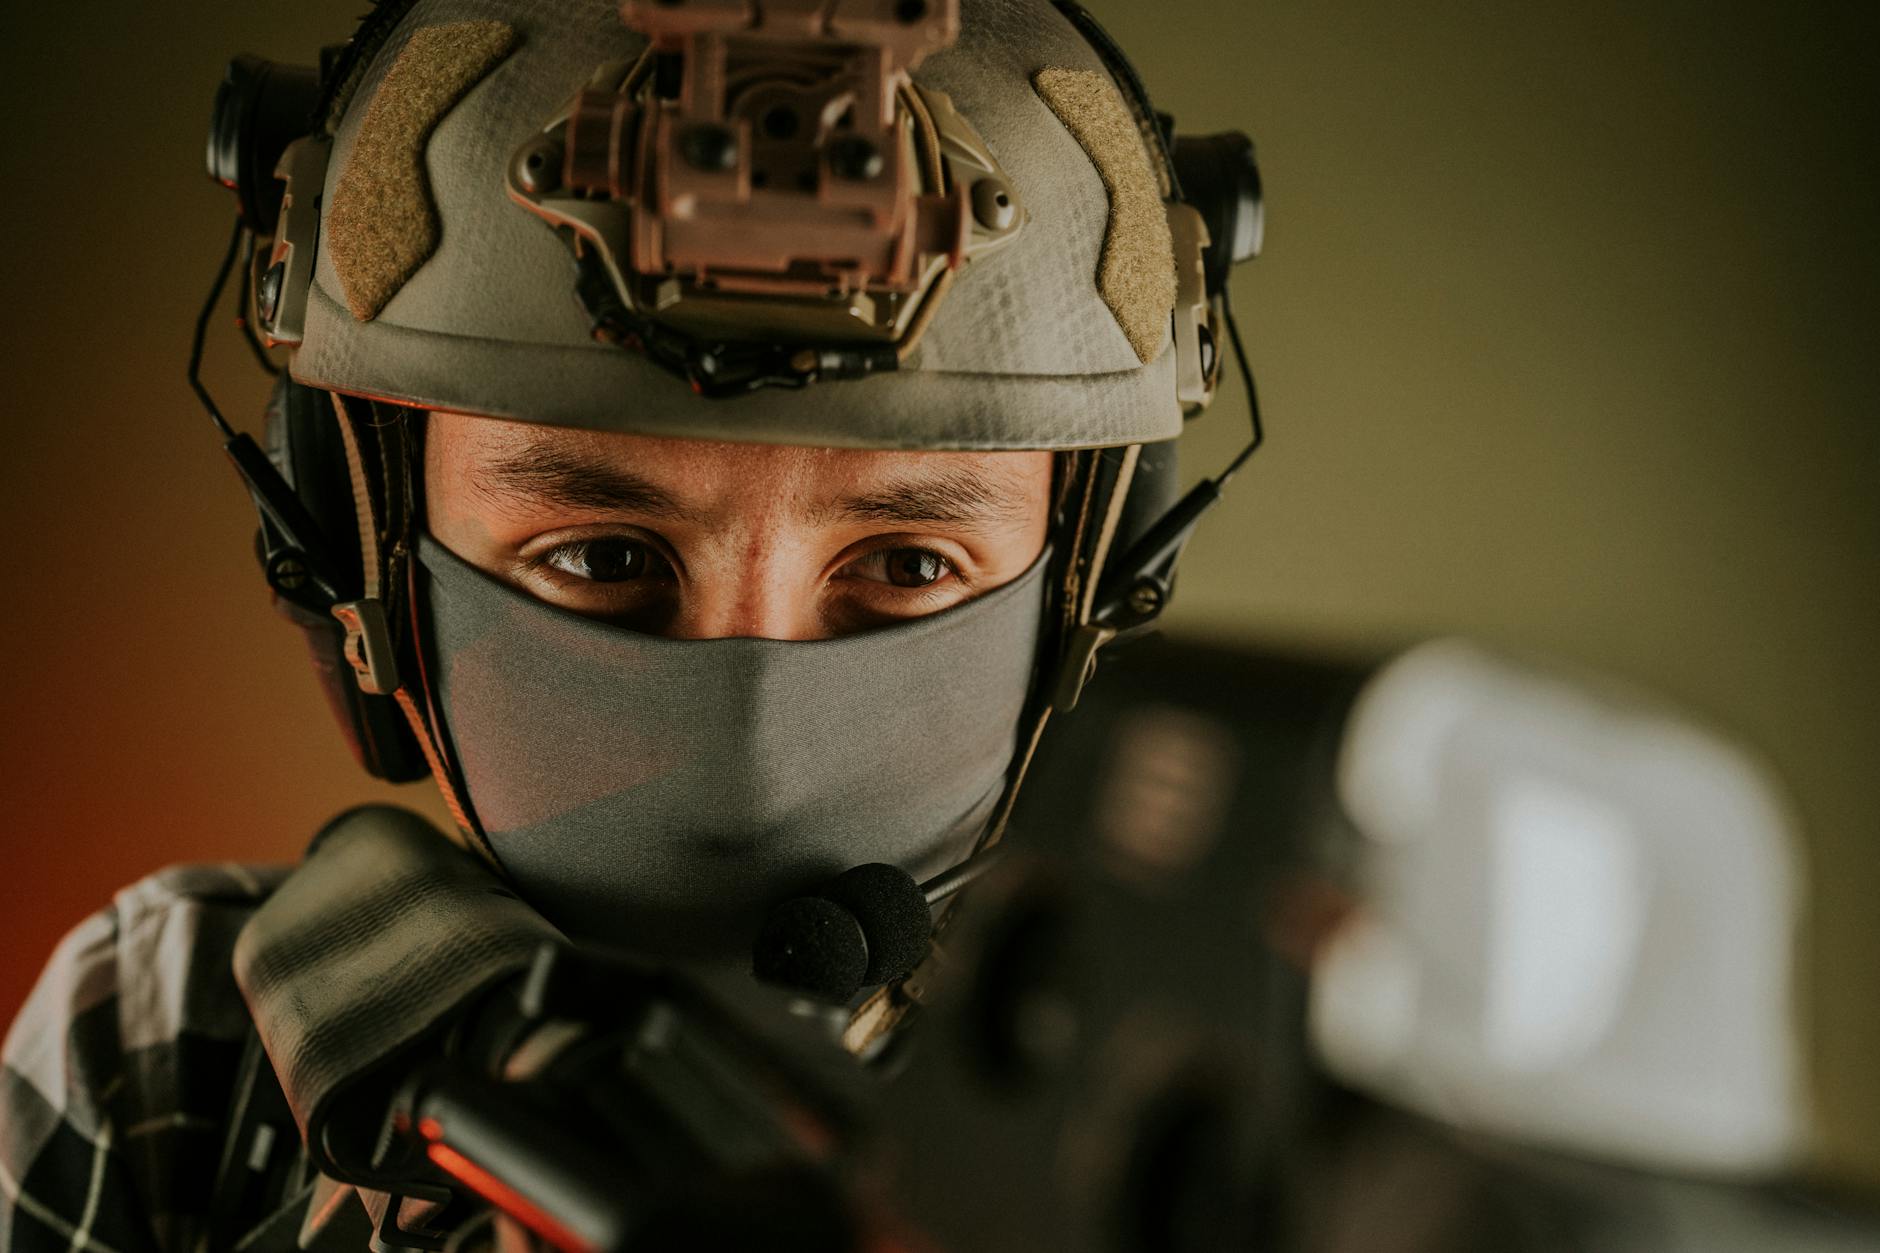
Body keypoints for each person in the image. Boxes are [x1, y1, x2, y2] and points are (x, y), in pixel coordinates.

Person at [0, 0, 1261, 1246]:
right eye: (604, 556)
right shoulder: (169, 1034)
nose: (752, 739)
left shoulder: (1205, 1152)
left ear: (1090, 587)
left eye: (909, 561)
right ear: (351, 539)